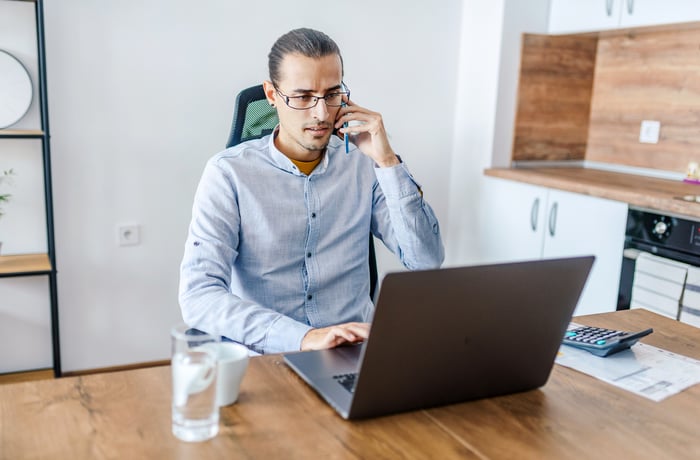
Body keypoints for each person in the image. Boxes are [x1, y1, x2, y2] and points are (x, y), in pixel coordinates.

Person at [179, 28, 444, 354]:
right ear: (272, 95)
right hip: (271, 358)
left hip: (355, 354)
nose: (321, 113)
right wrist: (305, 338)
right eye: (303, 97)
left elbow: (426, 261)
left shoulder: (363, 165)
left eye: (332, 94)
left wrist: (388, 163)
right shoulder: (228, 174)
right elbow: (199, 295)